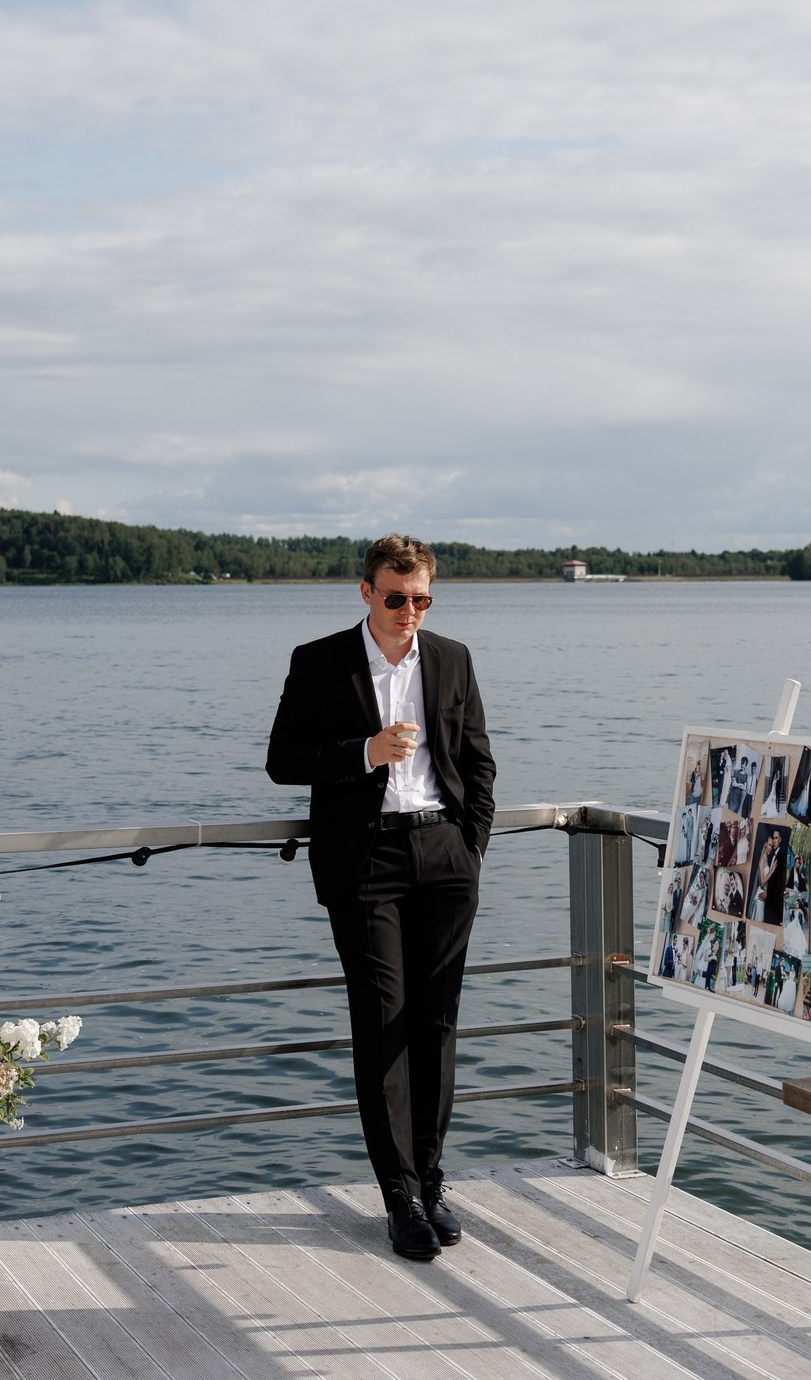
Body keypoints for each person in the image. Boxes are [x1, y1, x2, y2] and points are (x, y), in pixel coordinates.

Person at [266, 534, 495, 1263]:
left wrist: (471, 846)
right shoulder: (320, 660)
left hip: (444, 854)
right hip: (365, 861)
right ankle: (398, 1196)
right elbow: (282, 760)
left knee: (436, 1024)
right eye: (397, 598)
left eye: (423, 599)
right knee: (383, 1023)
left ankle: (431, 1181)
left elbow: (479, 761)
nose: (410, 613)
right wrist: (363, 753)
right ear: (366, 591)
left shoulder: (452, 659)